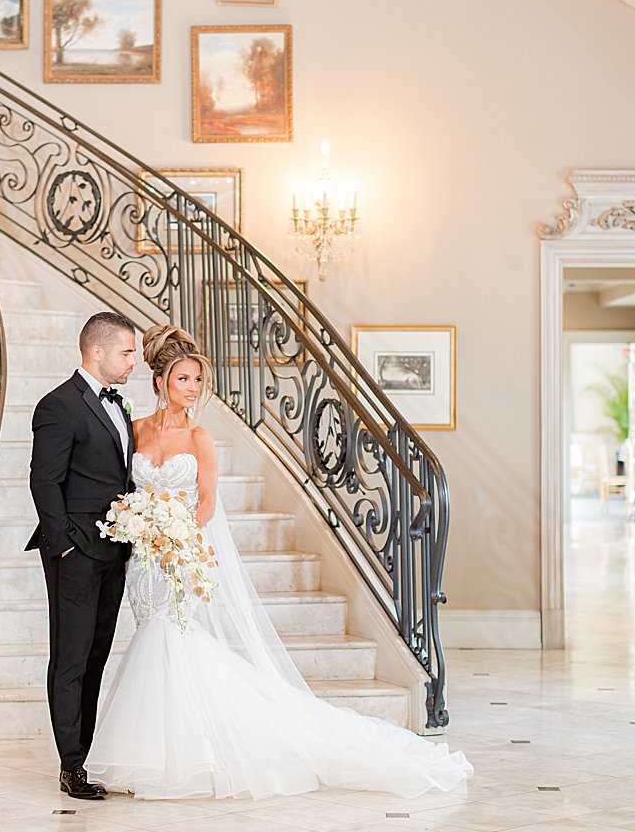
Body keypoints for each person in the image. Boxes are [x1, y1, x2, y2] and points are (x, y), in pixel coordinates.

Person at [84, 325, 473, 799]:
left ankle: (178, 757)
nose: (192, 389)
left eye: (198, 382)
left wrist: (173, 532)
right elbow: (124, 489)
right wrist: (138, 525)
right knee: (151, 633)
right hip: (142, 558)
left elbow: (206, 504)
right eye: (184, 379)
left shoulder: (201, 438)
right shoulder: (135, 429)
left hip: (181, 552)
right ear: (162, 380)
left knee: (171, 635)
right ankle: (154, 749)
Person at [26, 311, 139, 800]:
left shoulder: (120, 404)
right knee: (71, 658)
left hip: (114, 550)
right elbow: (44, 480)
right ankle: (71, 766)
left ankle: (84, 755)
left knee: (97, 655)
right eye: (127, 352)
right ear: (98, 351)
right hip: (75, 552)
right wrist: (65, 544)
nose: (133, 360)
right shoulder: (59, 405)